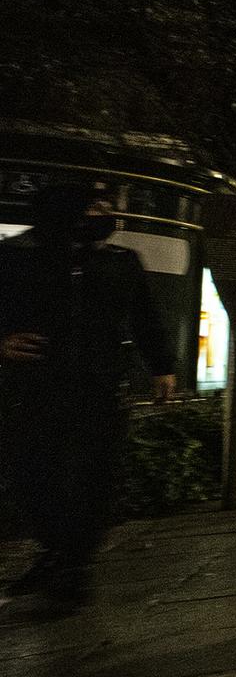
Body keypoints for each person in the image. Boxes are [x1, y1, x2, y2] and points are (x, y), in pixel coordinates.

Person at [0, 182, 175, 613]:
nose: (106, 214)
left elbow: (145, 317)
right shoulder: (15, 258)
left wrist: (162, 367)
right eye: (95, 205)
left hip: (101, 387)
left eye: (108, 206)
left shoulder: (120, 262)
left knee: (96, 476)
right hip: (33, 387)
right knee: (32, 472)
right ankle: (58, 550)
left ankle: (74, 564)